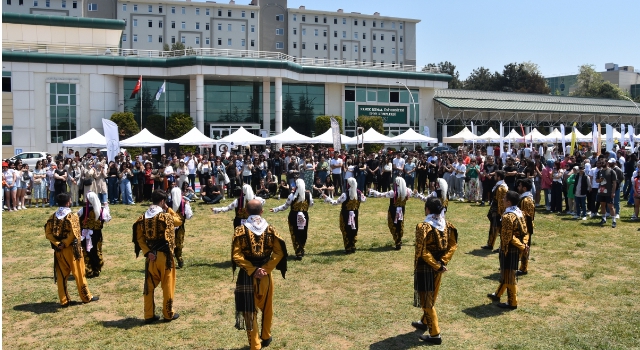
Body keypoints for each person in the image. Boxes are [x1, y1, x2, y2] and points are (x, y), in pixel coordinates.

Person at [232, 199, 287, 350]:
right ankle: (266, 336)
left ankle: (255, 344)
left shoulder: (240, 230)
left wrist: (252, 269)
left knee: (249, 310)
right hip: (265, 276)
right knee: (268, 307)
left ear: (246, 212)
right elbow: (279, 252)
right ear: (262, 211)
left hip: (246, 276)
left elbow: (236, 256)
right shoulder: (270, 229)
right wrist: (266, 268)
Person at [412, 197, 458, 345]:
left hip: (426, 268)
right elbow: (452, 245)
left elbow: (423, 251)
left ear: (427, 209)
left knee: (427, 301)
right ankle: (425, 321)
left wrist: (436, 264)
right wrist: (442, 261)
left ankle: (435, 334)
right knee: (431, 296)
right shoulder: (448, 225)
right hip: (439, 267)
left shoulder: (423, 227)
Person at [132, 189, 182, 323]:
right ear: (162, 201)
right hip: (164, 256)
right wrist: (168, 209)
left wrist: (147, 252)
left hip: (151, 257)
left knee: (149, 286)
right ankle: (168, 313)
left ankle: (148, 315)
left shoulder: (142, 217)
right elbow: (178, 221)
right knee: (167, 285)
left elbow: (139, 238)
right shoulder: (165, 216)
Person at [45, 192, 99, 307]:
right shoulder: (72, 216)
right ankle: (86, 297)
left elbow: (48, 233)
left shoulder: (53, 217)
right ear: (68, 202)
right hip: (72, 250)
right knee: (79, 273)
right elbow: (74, 233)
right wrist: (64, 243)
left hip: (58, 251)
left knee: (61, 276)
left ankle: (64, 300)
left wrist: (58, 243)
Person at [487, 190, 529, 309]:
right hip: (518, 248)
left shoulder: (507, 216)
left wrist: (521, 246)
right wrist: (524, 245)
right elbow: (525, 232)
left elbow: (508, 237)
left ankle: (512, 302)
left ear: (509, 202)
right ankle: (498, 294)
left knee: (509, 276)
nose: (502, 200)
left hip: (509, 250)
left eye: (504, 199)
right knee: (507, 273)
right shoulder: (520, 213)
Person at [270, 178, 314, 260]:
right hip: (304, 216)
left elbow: (285, 206)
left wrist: (276, 209)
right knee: (303, 233)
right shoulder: (308, 195)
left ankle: (298, 252)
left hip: (294, 216)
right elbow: (311, 204)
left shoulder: (292, 195)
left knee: (295, 233)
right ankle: (301, 249)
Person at [323, 177, 367, 254]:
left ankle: (348, 247)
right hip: (354, 214)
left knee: (346, 230)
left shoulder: (345, 194)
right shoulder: (359, 193)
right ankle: (352, 245)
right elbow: (364, 199)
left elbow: (335, 202)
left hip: (345, 215)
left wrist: (327, 198)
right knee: (353, 229)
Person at [370, 177, 415, 250]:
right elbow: (413, 194)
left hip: (393, 210)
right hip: (401, 210)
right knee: (400, 224)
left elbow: (381, 195)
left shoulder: (393, 192)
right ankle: (399, 239)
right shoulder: (407, 191)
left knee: (393, 225)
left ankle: (397, 241)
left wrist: (373, 191)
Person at [77, 191, 111, 278]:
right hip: (97, 235)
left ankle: (88, 269)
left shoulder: (83, 210)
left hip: (85, 235)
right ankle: (96, 268)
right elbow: (107, 219)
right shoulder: (102, 210)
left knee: (86, 251)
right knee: (96, 250)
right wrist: (107, 207)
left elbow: (76, 217)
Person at [482, 170, 508, 250]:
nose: (494, 177)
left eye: (495, 175)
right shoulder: (499, 185)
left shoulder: (501, 188)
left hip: (497, 210)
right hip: (495, 209)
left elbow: (501, 202)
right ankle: (490, 244)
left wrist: (501, 213)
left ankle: (501, 246)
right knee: (494, 227)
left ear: (499, 177)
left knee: (498, 228)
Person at [170, 184, 193, 269]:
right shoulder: (168, 202)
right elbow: (189, 216)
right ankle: (175, 259)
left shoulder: (182, 203)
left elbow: (188, 216)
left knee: (176, 243)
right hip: (174, 227)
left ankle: (177, 259)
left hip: (177, 227)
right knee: (174, 243)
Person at [515, 179, 535, 276]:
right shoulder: (524, 198)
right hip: (524, 227)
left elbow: (526, 216)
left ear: (524, 188)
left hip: (525, 228)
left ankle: (523, 268)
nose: (518, 188)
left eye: (519, 186)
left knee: (524, 247)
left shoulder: (526, 200)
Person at [597, 158, 618, 228]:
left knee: (611, 206)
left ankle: (614, 220)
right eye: (601, 162)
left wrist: (613, 192)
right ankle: (603, 218)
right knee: (602, 205)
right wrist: (599, 180)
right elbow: (597, 181)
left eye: (603, 162)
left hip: (608, 192)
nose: (602, 164)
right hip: (601, 191)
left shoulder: (611, 171)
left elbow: (614, 183)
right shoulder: (599, 171)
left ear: (607, 163)